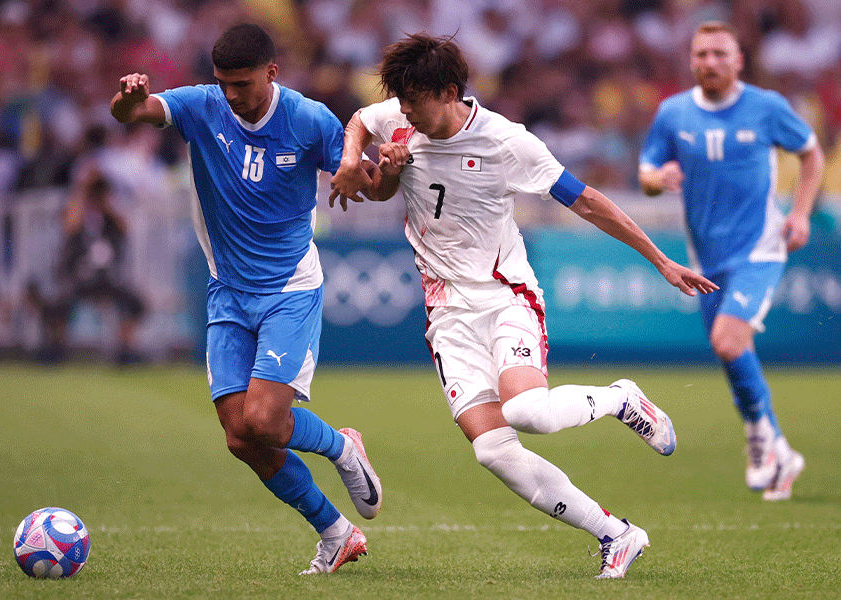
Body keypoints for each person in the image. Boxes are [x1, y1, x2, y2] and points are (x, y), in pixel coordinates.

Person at [329, 33, 718, 579]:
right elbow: (362, 124)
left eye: (414, 99)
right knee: (492, 451)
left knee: (528, 413)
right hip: (446, 313)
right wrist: (359, 162)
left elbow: (586, 200)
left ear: (448, 91)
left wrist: (659, 260)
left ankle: (619, 399)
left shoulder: (506, 142)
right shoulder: (400, 116)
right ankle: (617, 533)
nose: (405, 110)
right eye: (401, 100)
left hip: (505, 296)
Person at [110, 22, 383, 575]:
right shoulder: (201, 107)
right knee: (239, 437)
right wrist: (127, 100)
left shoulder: (307, 119)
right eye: (223, 83)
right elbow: (132, 115)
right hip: (227, 292)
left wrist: (376, 175)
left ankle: (339, 446)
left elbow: (371, 181)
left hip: (288, 288)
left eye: (243, 83)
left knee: (261, 421)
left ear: (272, 73)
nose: (232, 94)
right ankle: (335, 532)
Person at [638, 21, 824, 501]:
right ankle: (777, 447)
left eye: (721, 53)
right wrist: (659, 178)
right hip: (706, 257)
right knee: (732, 353)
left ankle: (761, 442)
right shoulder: (673, 113)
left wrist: (801, 213)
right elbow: (645, 174)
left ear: (739, 60)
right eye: (701, 54)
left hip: (760, 248)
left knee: (727, 340)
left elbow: (811, 154)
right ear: (691, 60)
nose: (710, 62)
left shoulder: (765, 107)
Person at [41, 171, 146, 365]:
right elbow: (70, 226)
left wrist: (106, 202)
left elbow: (125, 228)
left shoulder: (109, 218)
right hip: (76, 277)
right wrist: (82, 190)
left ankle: (125, 349)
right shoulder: (77, 213)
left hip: (106, 278)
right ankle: (56, 347)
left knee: (136, 303)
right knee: (58, 300)